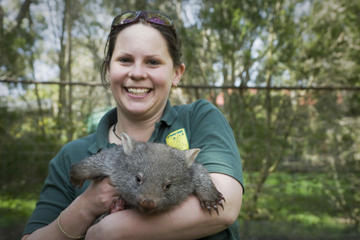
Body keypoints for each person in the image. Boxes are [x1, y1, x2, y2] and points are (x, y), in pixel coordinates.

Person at [22, 10, 244, 240]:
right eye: (125, 60)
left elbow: (223, 207)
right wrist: (86, 206)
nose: (137, 73)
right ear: (108, 70)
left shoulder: (198, 119)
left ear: (177, 73)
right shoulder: (72, 154)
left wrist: (109, 230)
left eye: (153, 62)